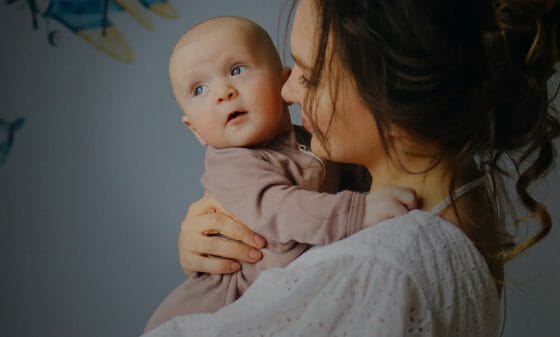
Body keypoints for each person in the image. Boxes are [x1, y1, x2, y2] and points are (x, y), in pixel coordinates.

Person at [142, 0, 560, 336]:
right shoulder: (460, 201)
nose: (287, 90)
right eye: (200, 89)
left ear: (387, 93)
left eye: (308, 74)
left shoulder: (378, 271)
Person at [144, 16, 418, 332]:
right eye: (200, 89)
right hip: (217, 310)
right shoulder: (232, 165)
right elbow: (284, 210)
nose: (223, 92)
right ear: (195, 129)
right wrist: (360, 211)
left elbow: (357, 179)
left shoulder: (311, 141)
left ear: (283, 83)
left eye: (237, 70)